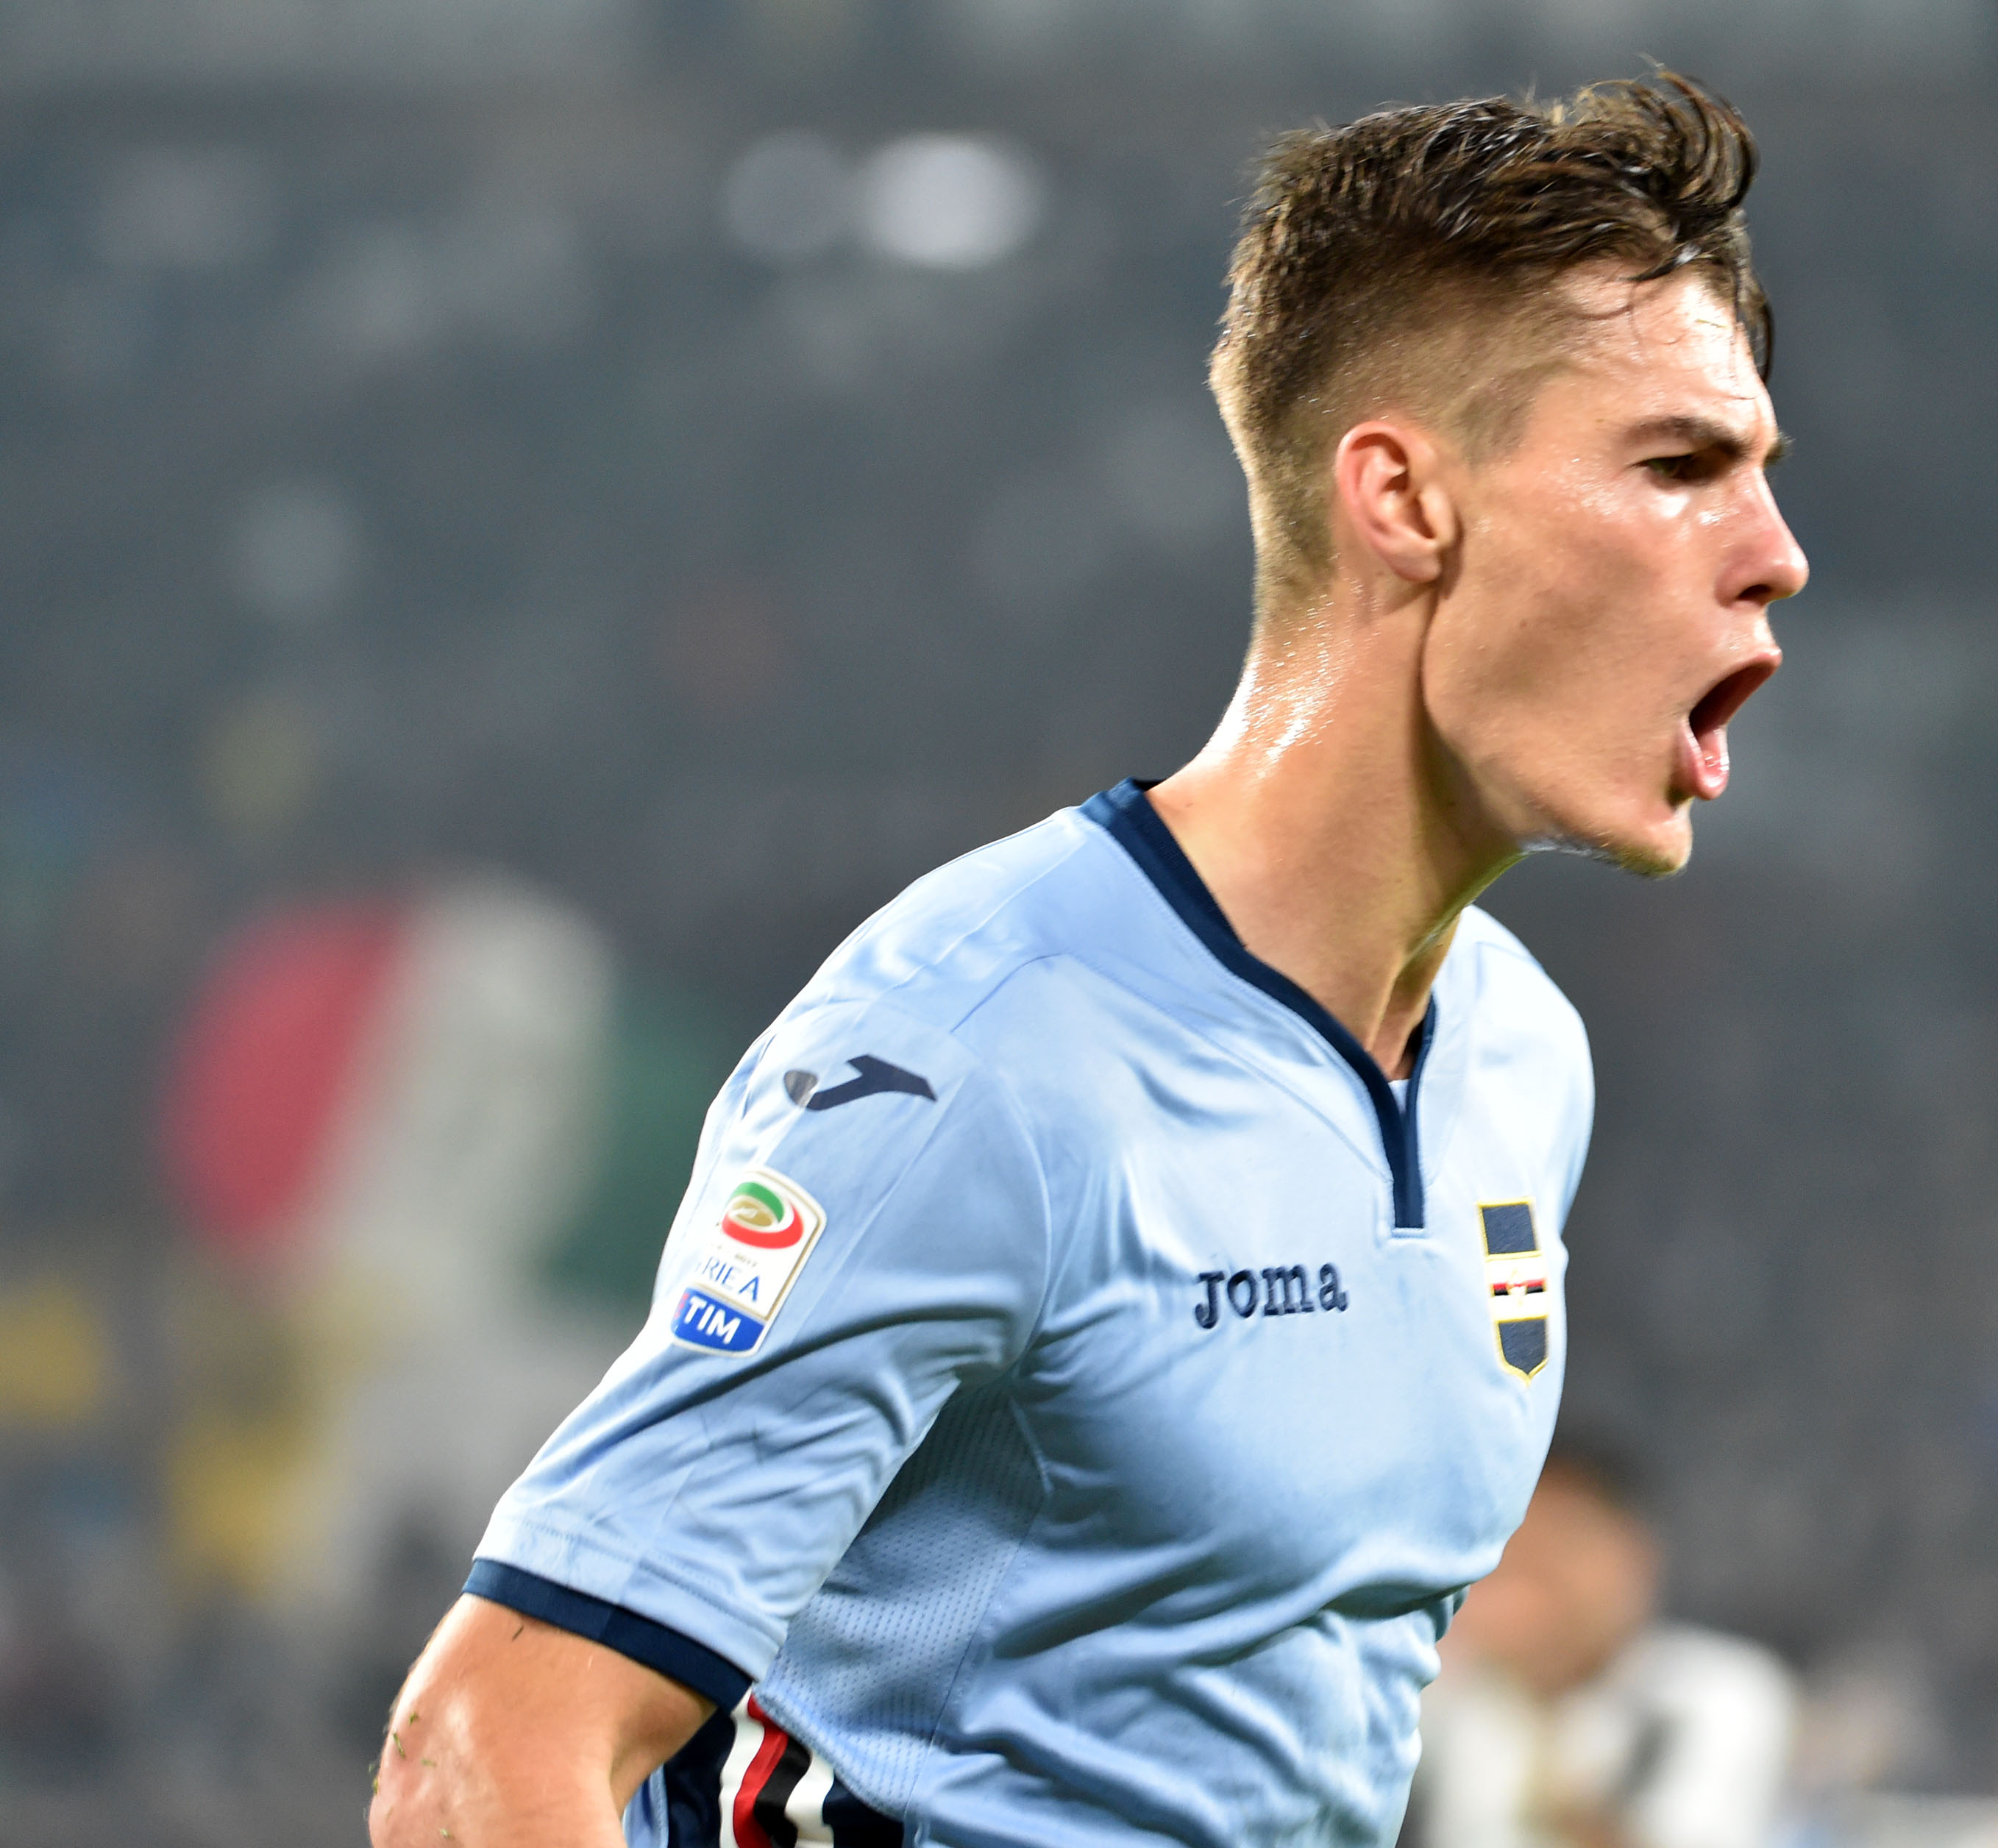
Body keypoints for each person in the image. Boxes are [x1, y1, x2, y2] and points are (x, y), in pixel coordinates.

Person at [368, 71, 1805, 1848]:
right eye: (1676, 466)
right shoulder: (982, 1055)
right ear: (1405, 499)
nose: (1777, 555)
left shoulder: (1524, 1059)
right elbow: (483, 1751)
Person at [1404, 1443, 1798, 1848]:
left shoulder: (1716, 1692)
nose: (1534, 1575)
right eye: (1515, 1550)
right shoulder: (1442, 1692)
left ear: (1635, 1557)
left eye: (1563, 1545)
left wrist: (1531, 1709)